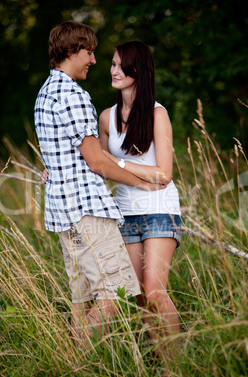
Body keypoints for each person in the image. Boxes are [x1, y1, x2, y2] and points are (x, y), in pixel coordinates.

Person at [34, 21, 165, 344]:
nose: (93, 60)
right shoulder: (73, 95)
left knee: (83, 299)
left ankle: (75, 368)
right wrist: (141, 181)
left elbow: (63, 155)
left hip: (64, 213)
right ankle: (73, 360)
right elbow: (96, 161)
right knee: (116, 292)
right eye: (89, 52)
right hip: (86, 210)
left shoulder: (44, 94)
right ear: (70, 51)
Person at [99, 40, 181, 359]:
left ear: (138, 70)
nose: (114, 70)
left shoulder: (157, 114)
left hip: (160, 210)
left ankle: (177, 371)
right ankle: (163, 365)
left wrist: (117, 163)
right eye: (112, 63)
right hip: (125, 214)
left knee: (156, 291)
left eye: (121, 65)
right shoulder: (107, 117)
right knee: (139, 297)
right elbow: (98, 165)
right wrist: (57, 171)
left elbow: (164, 174)